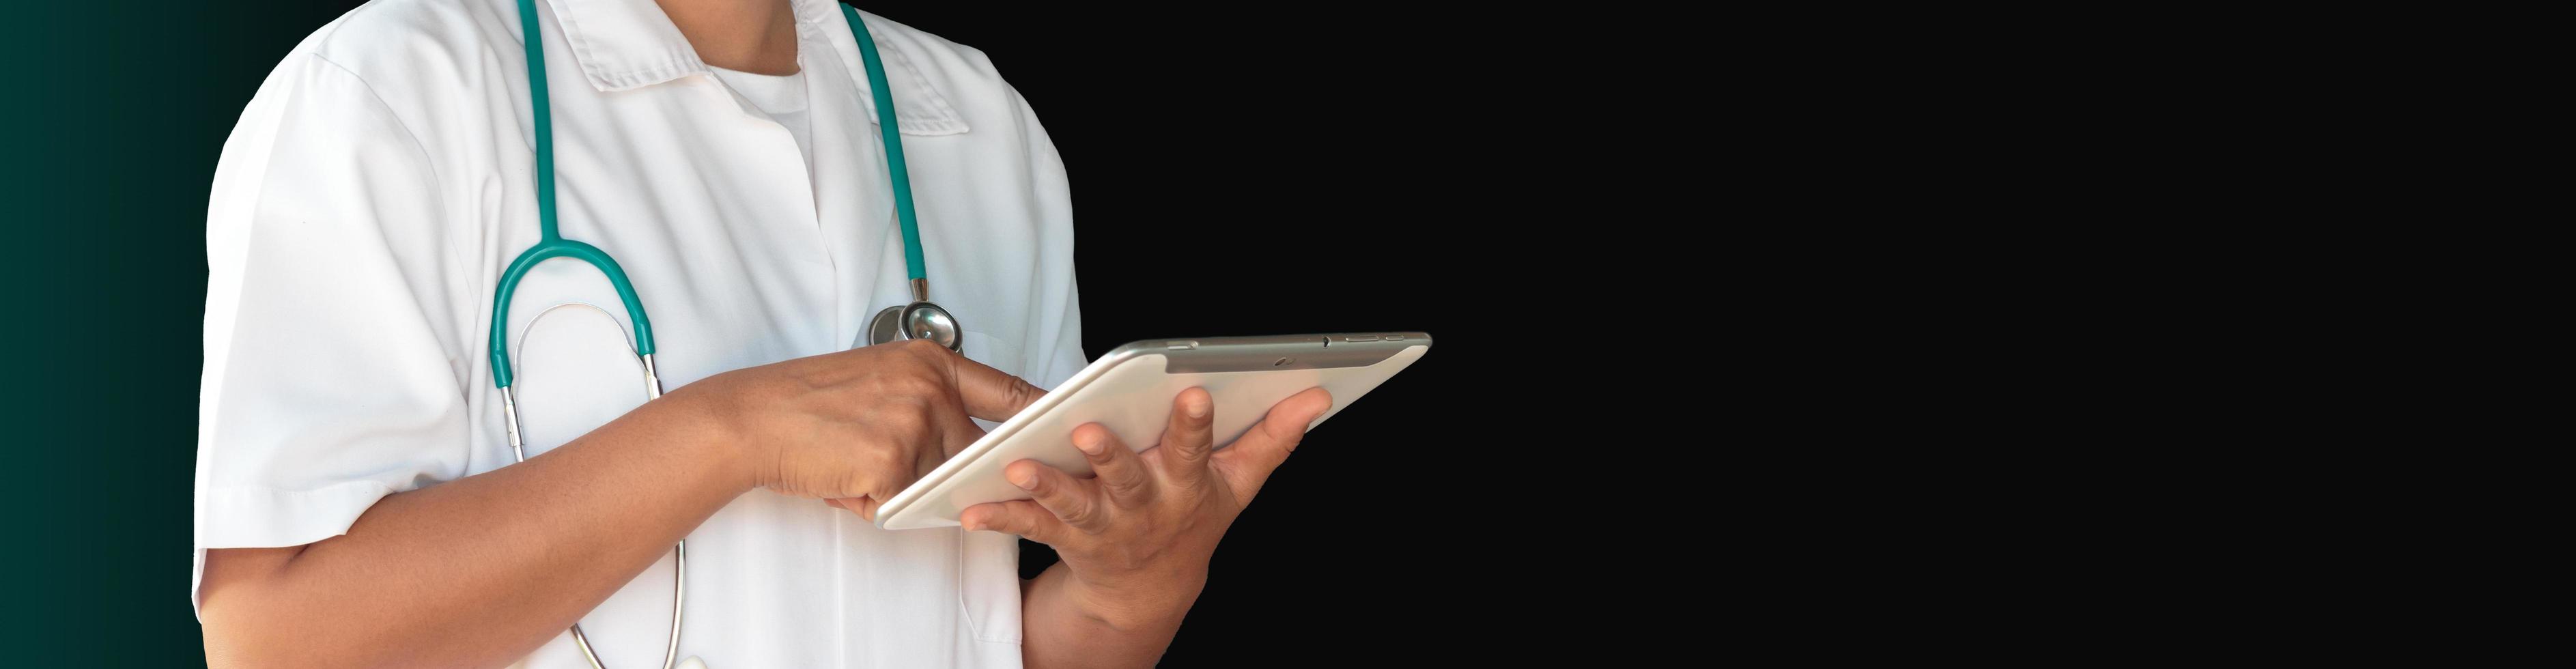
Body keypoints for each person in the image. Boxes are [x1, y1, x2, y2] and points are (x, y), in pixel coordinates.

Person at [191, 0, 1333, 666]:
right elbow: (271, 639)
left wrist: (1130, 589)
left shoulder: (974, 116)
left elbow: (973, 639)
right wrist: (723, 433)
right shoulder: (392, 86)